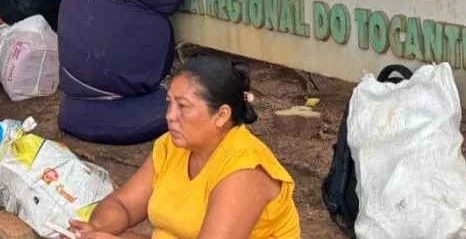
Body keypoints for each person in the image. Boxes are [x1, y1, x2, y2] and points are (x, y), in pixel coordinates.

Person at [67, 56, 300, 239]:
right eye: (170, 103)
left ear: (221, 115)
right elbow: (124, 204)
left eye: (183, 106)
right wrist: (95, 228)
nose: (170, 116)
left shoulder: (246, 170)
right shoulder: (172, 146)